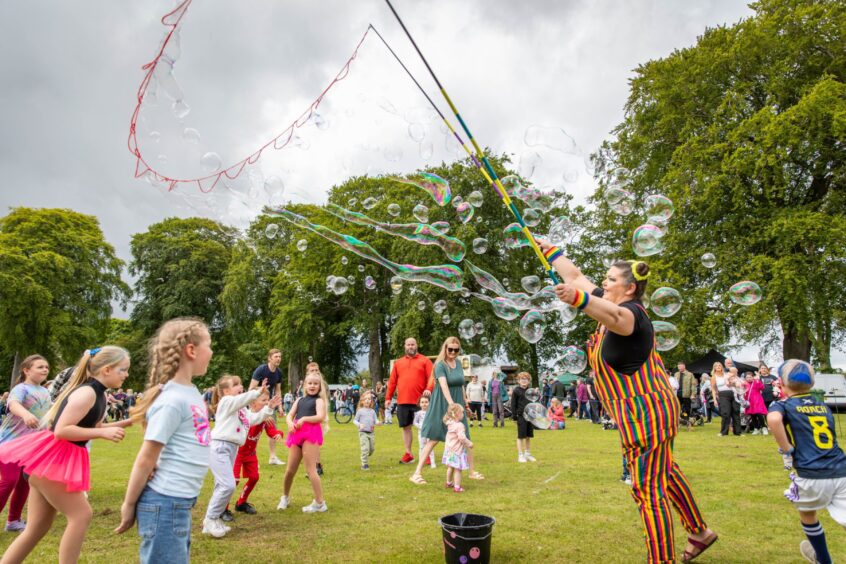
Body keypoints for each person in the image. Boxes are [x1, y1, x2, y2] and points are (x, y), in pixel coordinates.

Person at [543, 242, 716, 563]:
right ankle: (700, 532)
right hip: (644, 412)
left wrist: (578, 299)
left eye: (610, 280)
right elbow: (576, 276)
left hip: (645, 414)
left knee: (648, 491)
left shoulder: (633, 315)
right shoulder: (609, 301)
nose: (604, 284)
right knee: (666, 473)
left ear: (630, 287)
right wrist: (550, 252)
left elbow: (614, 315)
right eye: (605, 280)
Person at [0, 347, 130, 563]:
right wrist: (102, 432)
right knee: (81, 515)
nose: (126, 375)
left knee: (36, 528)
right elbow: (61, 430)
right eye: (123, 370)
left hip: (54, 460)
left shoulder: (99, 394)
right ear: (106, 369)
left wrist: (128, 421)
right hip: (53, 459)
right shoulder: (86, 392)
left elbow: (94, 424)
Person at [115, 318, 213, 564]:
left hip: (178, 503)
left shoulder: (190, 393)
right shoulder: (172, 400)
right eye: (209, 346)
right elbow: (146, 457)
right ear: (191, 350)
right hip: (165, 504)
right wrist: (128, 504)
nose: (211, 352)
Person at [767, 360, 846, 564]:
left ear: (781, 385)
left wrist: (787, 449)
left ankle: (824, 560)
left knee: (808, 514)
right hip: (840, 468)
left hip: (811, 472)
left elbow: (774, 421)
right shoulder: (822, 404)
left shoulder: (783, 404)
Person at [202, 375, 277, 536]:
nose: (240, 385)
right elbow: (242, 399)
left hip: (232, 448)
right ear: (226, 391)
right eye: (236, 384)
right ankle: (211, 518)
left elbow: (254, 419)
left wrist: (268, 408)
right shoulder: (226, 402)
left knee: (221, 485)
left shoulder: (241, 409)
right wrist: (257, 392)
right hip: (220, 446)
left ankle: (212, 520)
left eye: (240, 383)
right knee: (228, 485)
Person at [411, 337, 483, 484]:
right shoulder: (439, 365)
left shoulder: (457, 363)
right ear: (445, 348)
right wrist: (451, 405)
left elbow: (461, 384)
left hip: (457, 405)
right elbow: (443, 385)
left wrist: (465, 405)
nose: (453, 352)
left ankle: (472, 471)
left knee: (464, 437)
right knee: (434, 438)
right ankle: (416, 473)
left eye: (456, 350)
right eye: (450, 349)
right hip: (442, 404)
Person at [0, 355, 52, 533]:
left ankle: (13, 521)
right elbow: (13, 404)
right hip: (10, 444)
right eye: (40, 367)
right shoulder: (20, 389)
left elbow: (48, 415)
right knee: (9, 480)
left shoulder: (45, 392)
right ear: (27, 370)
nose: (45, 369)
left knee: (25, 482)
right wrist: (25, 414)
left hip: (32, 447)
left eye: (46, 367)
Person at [277, 370, 329, 513]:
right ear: (305, 385)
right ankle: (285, 497)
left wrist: (304, 419)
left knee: (311, 470)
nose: (312, 386)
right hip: (296, 434)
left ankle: (320, 503)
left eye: (316, 384)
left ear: (319, 386)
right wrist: (289, 422)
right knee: (289, 470)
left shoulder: (319, 401)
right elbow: (290, 415)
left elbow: (320, 416)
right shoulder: (299, 400)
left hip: (311, 435)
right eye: (310, 383)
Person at [228, 389, 283, 517]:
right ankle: (223, 508)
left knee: (254, 478)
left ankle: (241, 503)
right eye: (263, 400)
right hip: (237, 453)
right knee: (233, 481)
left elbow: (272, 432)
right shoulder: (244, 416)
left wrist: (278, 434)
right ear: (252, 403)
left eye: (267, 400)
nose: (267, 403)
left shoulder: (265, 419)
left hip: (250, 454)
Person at [385, 337, 434, 464]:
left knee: (424, 427)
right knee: (406, 427)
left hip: (421, 402)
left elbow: (432, 378)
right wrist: (388, 398)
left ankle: (426, 454)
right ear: (405, 346)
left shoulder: (425, 361)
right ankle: (408, 454)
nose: (410, 347)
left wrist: (429, 389)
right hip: (403, 401)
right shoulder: (398, 363)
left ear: (416, 345)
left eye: (413, 344)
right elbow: (392, 382)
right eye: (408, 345)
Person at [249, 349, 285, 466]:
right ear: (269, 358)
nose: (278, 358)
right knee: (254, 432)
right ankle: (251, 456)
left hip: (269, 404)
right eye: (276, 356)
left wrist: (280, 407)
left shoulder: (279, 373)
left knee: (272, 429)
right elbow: (251, 388)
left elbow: (278, 390)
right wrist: (254, 406)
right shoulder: (261, 370)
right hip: (257, 405)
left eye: (279, 356)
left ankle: (273, 457)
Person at [442, 403, 473, 493]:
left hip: (449, 450)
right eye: (462, 413)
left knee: (450, 467)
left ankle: (448, 482)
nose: (463, 414)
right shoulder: (459, 425)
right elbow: (462, 437)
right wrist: (469, 443)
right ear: (456, 414)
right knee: (458, 469)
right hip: (457, 451)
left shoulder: (450, 423)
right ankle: (457, 487)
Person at [511, 372, 536, 462]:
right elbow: (513, 404)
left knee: (528, 436)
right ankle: (520, 455)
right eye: (522, 379)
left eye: (526, 379)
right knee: (521, 436)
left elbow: (534, 402)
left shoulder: (531, 391)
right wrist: (514, 417)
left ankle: (527, 453)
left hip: (530, 415)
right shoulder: (516, 390)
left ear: (529, 381)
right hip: (521, 416)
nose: (524, 380)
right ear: (519, 381)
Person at [710, 362, 740, 436]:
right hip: (723, 395)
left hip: (732, 393)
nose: (718, 366)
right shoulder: (714, 377)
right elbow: (713, 389)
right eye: (716, 366)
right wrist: (714, 399)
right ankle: (723, 432)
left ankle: (738, 432)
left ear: (722, 367)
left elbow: (733, 382)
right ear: (714, 368)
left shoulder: (727, 375)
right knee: (725, 413)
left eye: (720, 365)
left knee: (735, 412)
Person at [354, 395, 377, 470]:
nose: (367, 400)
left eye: (369, 399)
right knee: (365, 449)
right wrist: (359, 425)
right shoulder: (360, 411)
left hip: (371, 433)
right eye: (365, 399)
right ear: (362, 401)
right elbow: (354, 420)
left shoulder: (372, 411)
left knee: (371, 449)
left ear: (371, 401)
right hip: (363, 432)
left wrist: (378, 422)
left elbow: (375, 420)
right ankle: (364, 464)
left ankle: (367, 454)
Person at [413, 396, 436, 468]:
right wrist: (420, 427)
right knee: (422, 447)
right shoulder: (418, 413)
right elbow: (414, 422)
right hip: (421, 433)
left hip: (430, 433)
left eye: (426, 402)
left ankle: (433, 463)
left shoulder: (431, 412)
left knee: (430, 447)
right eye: (422, 402)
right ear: (419, 404)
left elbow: (433, 421)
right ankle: (421, 462)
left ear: (429, 403)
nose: (424, 404)